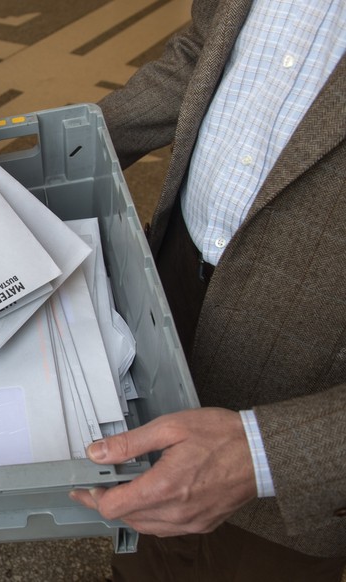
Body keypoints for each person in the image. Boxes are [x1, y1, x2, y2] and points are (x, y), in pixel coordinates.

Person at [69, 0, 346, 579]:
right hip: (173, 286)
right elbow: (204, 53)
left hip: (307, 388)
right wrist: (58, 155)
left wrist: (268, 455)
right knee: (143, 528)